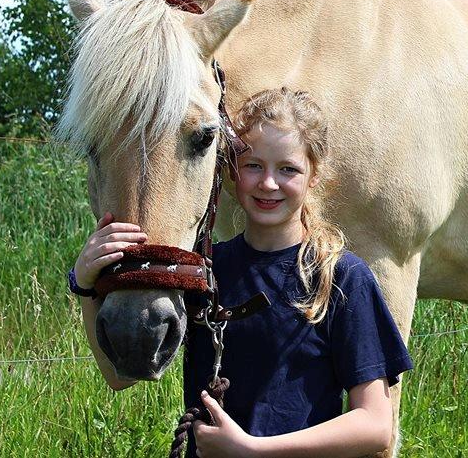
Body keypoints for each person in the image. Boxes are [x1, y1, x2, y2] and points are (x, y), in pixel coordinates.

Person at [71, 87, 413, 457]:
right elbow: (118, 376)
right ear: (232, 170)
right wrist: (86, 284)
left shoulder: (341, 277)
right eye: (254, 166)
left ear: (314, 175)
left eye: (288, 169)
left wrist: (253, 450)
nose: (268, 183)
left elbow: (376, 425)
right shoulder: (204, 272)